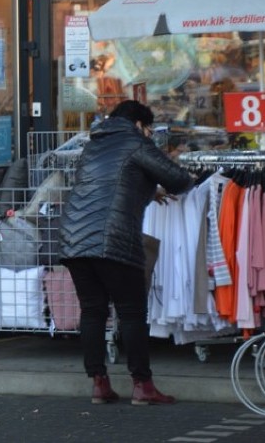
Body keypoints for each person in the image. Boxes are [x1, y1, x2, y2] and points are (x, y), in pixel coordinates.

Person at [59, 100, 194, 405]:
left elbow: (108, 183)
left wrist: (148, 190)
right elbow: (178, 179)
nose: (149, 135)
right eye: (149, 130)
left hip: (74, 238)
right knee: (132, 312)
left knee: (93, 311)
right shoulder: (135, 142)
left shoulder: (93, 144)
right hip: (114, 237)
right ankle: (143, 386)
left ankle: (99, 383)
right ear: (138, 125)